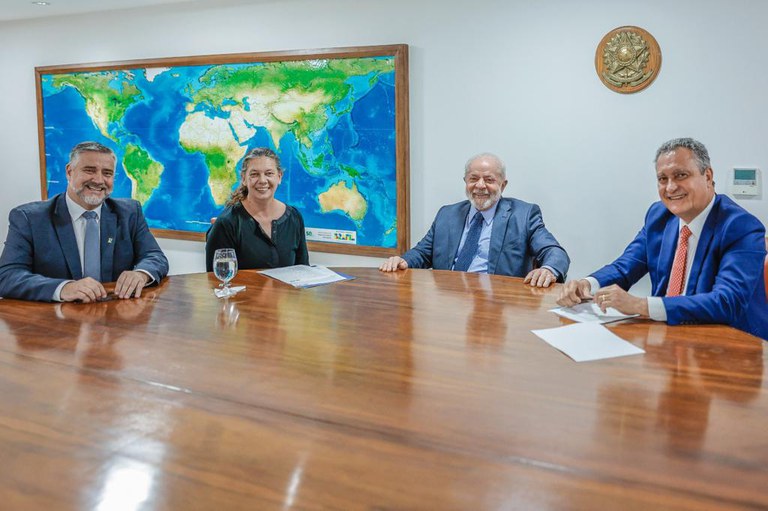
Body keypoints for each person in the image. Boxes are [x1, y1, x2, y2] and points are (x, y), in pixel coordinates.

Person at [557, 137, 768, 340]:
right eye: (662, 179)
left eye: (681, 175)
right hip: (668, 338)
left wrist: (640, 305)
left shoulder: (741, 227)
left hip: (729, 344)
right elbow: (625, 268)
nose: (670, 187)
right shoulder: (659, 216)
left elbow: (727, 302)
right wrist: (586, 284)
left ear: (707, 176)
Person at [0, 141, 169, 303]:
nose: (99, 180)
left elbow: (155, 257)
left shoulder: (130, 212)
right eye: (89, 170)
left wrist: (141, 274)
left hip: (114, 314)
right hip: (55, 317)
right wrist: (63, 288)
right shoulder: (29, 218)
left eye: (107, 173)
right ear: (69, 172)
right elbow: (7, 276)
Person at [379, 152, 569, 287]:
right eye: (473, 178)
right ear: (465, 182)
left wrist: (548, 269)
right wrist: (403, 261)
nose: (480, 185)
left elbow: (554, 252)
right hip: (448, 302)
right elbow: (423, 253)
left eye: (489, 180)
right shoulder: (447, 214)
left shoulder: (523, 215)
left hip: (498, 304)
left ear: (503, 185)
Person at [206, 147, 308, 271]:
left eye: (269, 173)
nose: (262, 180)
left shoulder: (294, 217)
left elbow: (303, 271)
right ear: (243, 178)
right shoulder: (227, 223)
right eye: (254, 174)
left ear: (279, 176)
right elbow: (217, 278)